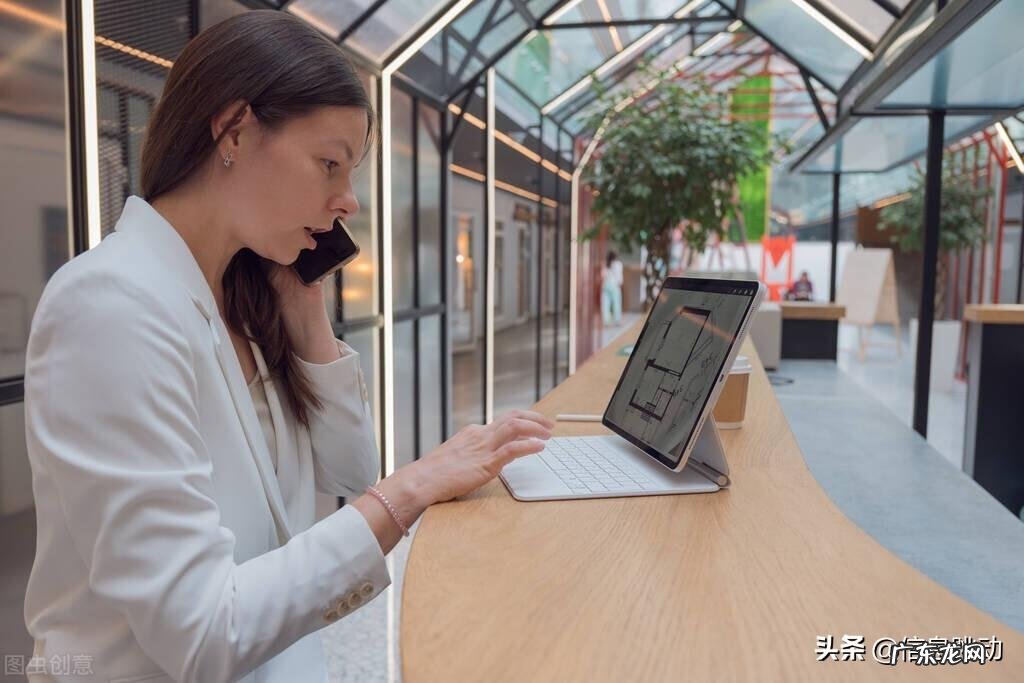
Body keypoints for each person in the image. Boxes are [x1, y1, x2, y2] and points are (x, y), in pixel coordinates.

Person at [21, 12, 553, 683]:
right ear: (235, 130)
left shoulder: (245, 300)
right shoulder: (110, 307)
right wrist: (412, 487)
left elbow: (352, 470)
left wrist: (306, 314)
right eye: (329, 163)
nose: (348, 202)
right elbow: (205, 629)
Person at [601, 250, 624, 326]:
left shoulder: (605, 264)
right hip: (614, 285)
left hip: (605, 285)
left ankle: (606, 321)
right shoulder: (618, 264)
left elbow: (602, 275)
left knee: (606, 304)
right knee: (616, 303)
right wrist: (620, 284)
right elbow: (619, 277)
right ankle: (617, 321)